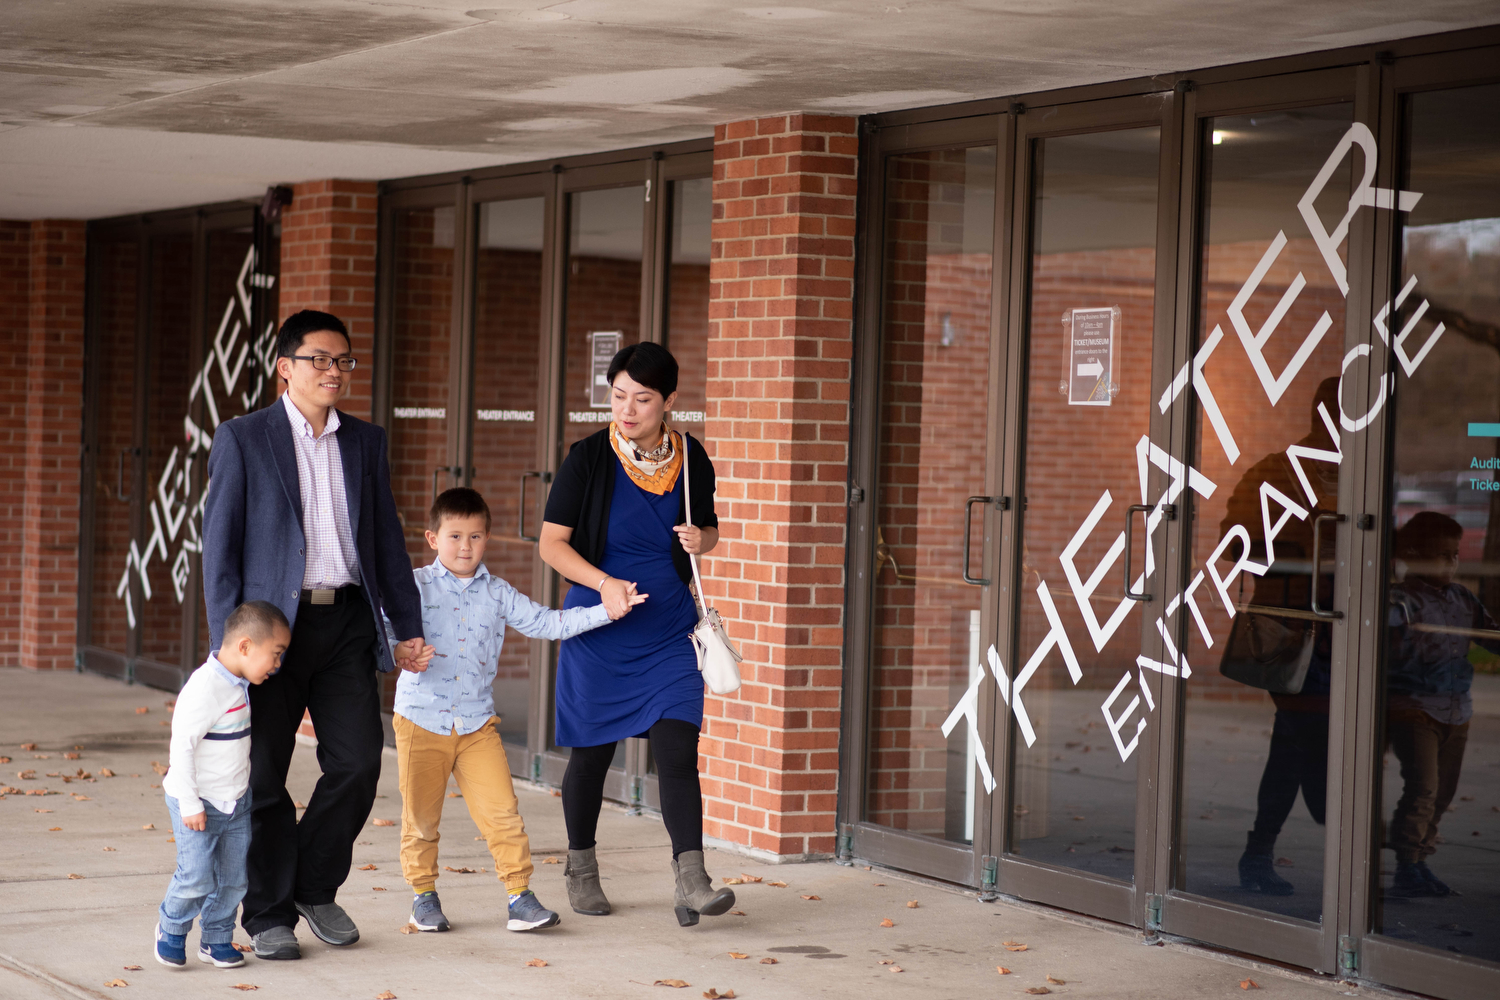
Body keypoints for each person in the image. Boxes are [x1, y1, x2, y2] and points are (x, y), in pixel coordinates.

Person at [202, 309, 427, 960]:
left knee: (358, 763)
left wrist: (406, 628)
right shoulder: (244, 438)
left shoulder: (365, 441)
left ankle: (312, 885)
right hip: (269, 633)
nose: (334, 371)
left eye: (344, 361)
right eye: (320, 359)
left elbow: (386, 543)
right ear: (285, 367)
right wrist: (231, 651)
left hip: (347, 622)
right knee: (265, 776)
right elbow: (219, 554)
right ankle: (267, 913)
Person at [537, 341, 734, 927]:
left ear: (669, 401)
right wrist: (605, 585)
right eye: (618, 395)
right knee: (593, 757)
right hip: (601, 625)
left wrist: (706, 541)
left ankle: (692, 880)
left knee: (677, 751)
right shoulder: (589, 457)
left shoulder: (692, 457)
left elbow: (710, 529)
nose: (626, 409)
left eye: (641, 399)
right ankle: (581, 868)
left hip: (670, 626)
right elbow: (553, 543)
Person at [386, 487, 640, 934]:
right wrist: (399, 650)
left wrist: (608, 610)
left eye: (476, 537)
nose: (466, 547)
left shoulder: (497, 593)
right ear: (432, 538)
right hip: (421, 720)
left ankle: (519, 897)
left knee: (503, 814)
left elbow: (549, 622)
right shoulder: (412, 586)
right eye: (455, 536)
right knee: (421, 820)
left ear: (488, 539)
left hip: (477, 723)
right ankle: (423, 897)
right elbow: (381, 633)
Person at [1222, 377, 1340, 896]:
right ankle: (1330, 821)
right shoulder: (1277, 470)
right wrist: (1303, 543)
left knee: (1295, 741)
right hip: (1290, 628)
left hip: (1347, 631)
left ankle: (1262, 851)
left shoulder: (1368, 472)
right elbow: (1235, 542)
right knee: (1302, 738)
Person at [156, 601, 291, 970]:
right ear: (245, 646)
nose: (277, 665)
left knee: (233, 879)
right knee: (197, 875)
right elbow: (181, 746)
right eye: (275, 655)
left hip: (235, 802)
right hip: (197, 801)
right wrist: (190, 803)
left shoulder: (240, 681)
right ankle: (171, 929)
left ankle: (215, 938)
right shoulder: (205, 687)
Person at [1385, 510, 1492, 897]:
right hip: (1414, 707)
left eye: (1454, 554)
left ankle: (1420, 857)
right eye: (1441, 554)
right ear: (1414, 555)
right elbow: (1387, 651)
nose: (1450, 562)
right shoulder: (1401, 600)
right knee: (1423, 786)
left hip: (1456, 708)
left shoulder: (1463, 598)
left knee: (1443, 790)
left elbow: (1488, 634)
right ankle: (1406, 864)